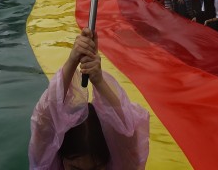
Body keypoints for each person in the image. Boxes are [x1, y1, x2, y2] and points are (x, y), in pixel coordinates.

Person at [29, 28, 148, 169]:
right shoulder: (47, 164)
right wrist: (72, 61)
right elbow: (45, 119)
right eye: (75, 169)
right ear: (59, 155)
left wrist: (99, 81)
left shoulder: (124, 164)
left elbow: (128, 132)